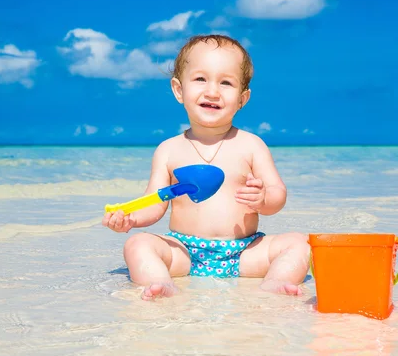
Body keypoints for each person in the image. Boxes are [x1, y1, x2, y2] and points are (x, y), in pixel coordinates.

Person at [102, 34, 310, 301]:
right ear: (179, 90)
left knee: (300, 243)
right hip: (185, 251)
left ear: (242, 98)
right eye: (200, 79)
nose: (212, 91)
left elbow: (277, 194)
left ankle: (275, 283)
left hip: (244, 251)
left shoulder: (251, 145)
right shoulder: (168, 149)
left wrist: (263, 199)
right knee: (138, 244)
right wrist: (131, 219)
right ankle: (160, 284)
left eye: (226, 82)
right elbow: (155, 203)